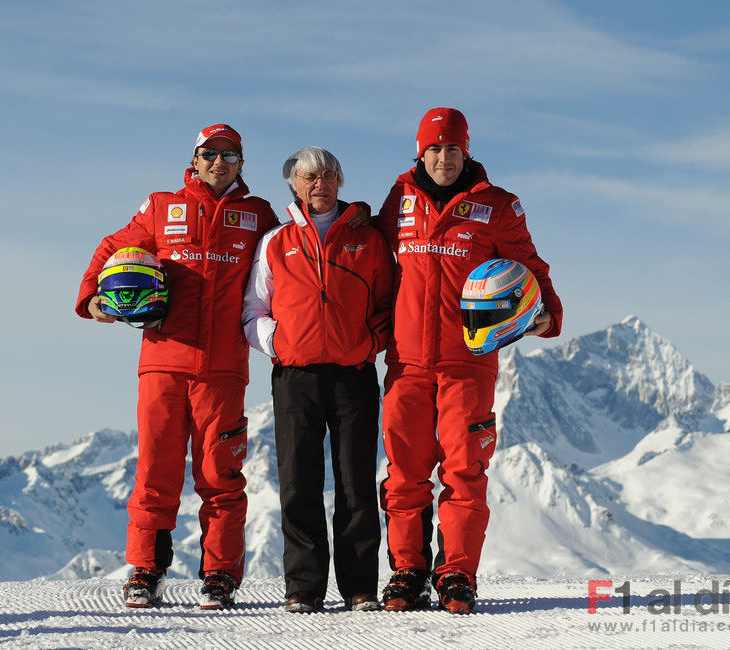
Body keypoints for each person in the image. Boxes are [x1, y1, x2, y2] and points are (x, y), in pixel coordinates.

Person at [75, 124, 279, 610]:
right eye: (210, 153)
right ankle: (146, 570)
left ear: (241, 164)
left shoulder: (258, 215)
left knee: (221, 474)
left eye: (229, 155)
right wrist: (90, 298)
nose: (219, 162)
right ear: (196, 157)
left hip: (224, 368)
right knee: (156, 470)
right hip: (163, 362)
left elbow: (292, 252)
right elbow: (112, 246)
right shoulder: (162, 206)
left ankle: (220, 575)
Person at [375, 108, 563, 614]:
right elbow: (370, 257)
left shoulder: (497, 206)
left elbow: (530, 262)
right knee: (404, 472)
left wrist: (547, 312)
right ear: (420, 152)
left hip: (469, 362)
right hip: (407, 362)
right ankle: (407, 572)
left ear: (466, 152)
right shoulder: (400, 200)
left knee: (463, 470)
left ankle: (457, 575)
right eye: (434, 149)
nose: (443, 158)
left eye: (452, 149)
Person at [242, 146, 394, 613]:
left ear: (340, 182)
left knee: (355, 484)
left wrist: (371, 342)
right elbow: (253, 309)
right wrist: (278, 343)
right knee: (298, 482)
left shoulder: (368, 240)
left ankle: (360, 587)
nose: (319, 184)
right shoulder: (277, 241)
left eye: (328, 175)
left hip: (354, 375)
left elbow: (390, 303)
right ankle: (303, 588)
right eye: (309, 177)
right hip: (295, 377)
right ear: (294, 183)